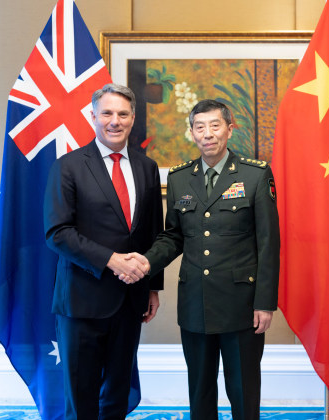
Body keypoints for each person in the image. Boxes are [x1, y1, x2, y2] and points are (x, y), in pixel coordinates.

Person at [127, 99, 280, 420]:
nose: (207, 134)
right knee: (200, 390)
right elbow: (173, 236)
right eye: (200, 127)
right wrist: (146, 263)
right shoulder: (181, 178)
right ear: (192, 133)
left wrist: (265, 302)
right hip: (195, 302)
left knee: (243, 390)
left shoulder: (255, 175)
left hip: (242, 303)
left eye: (214, 126)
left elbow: (269, 243)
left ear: (229, 128)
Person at [43, 83, 163, 420]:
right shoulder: (68, 166)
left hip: (130, 300)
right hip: (82, 298)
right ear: (92, 116)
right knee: (81, 396)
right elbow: (57, 233)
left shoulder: (146, 167)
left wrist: (153, 285)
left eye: (123, 114)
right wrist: (111, 261)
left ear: (133, 118)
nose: (115, 121)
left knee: (117, 393)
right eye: (107, 113)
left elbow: (153, 231)